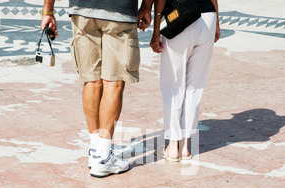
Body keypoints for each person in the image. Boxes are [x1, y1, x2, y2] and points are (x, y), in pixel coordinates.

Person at [41, 0, 153, 177]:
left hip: (83, 11)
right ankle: (102, 156)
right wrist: (147, 8)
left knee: (92, 81)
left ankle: (96, 152)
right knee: (113, 82)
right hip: (119, 12)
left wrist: (47, 10)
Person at [151, 0, 221, 162]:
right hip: (208, 16)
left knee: (173, 84)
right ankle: (185, 147)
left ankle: (173, 145)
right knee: (195, 85)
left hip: (182, 17)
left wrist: (156, 30)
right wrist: (216, 22)